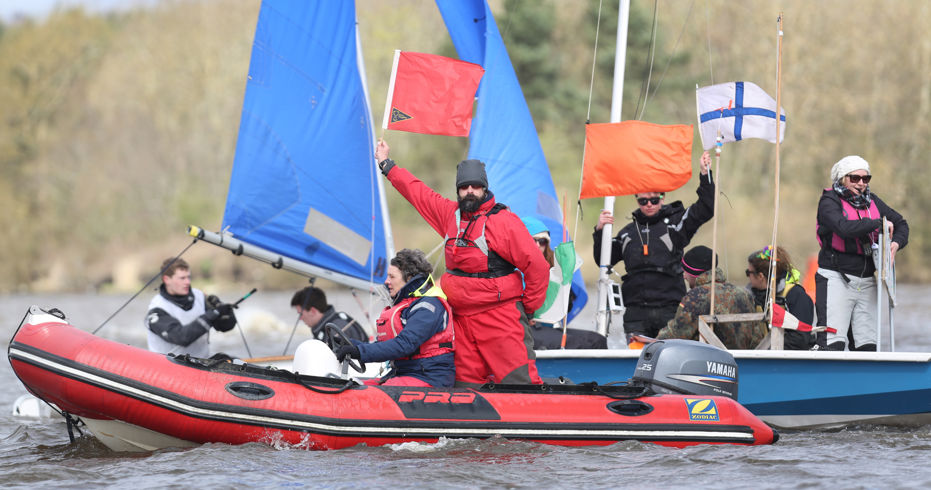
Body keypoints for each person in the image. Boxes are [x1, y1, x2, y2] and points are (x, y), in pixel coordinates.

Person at [375, 139, 550, 386]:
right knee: (466, 386)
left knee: (519, 383)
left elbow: (538, 267)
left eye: (475, 186)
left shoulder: (504, 222)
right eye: (464, 186)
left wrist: (528, 308)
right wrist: (387, 165)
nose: (470, 191)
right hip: (461, 320)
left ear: (484, 188)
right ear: (457, 190)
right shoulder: (449, 215)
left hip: (500, 317)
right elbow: (418, 193)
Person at [593, 151, 715, 343]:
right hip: (636, 314)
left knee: (669, 360)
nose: (649, 205)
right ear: (637, 200)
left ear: (663, 198)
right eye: (643, 201)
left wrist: (704, 174)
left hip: (670, 311)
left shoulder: (676, 225)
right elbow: (602, 259)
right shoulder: (627, 233)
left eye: (654, 200)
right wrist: (600, 231)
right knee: (639, 363)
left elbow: (706, 208)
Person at [815, 155, 908, 351]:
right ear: (842, 178)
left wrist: (896, 243)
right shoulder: (829, 201)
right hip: (836, 278)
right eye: (854, 178)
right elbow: (844, 228)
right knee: (833, 343)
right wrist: (878, 223)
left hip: (867, 281)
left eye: (865, 179)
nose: (861, 183)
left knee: (867, 346)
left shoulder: (872, 201)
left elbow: (901, 224)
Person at [334, 249, 455, 387]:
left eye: (392, 277)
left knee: (369, 394)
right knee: (355, 387)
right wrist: (353, 345)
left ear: (409, 278)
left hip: (429, 377)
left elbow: (404, 345)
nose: (386, 282)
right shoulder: (408, 305)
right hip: (404, 373)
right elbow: (388, 345)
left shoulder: (429, 306)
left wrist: (360, 352)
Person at [655, 246, 767, 349]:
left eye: (686, 271)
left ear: (694, 273)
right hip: (743, 364)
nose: (683, 276)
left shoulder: (695, 297)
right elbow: (756, 338)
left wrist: (650, 342)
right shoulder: (744, 294)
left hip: (710, 365)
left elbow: (675, 334)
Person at [521, 216, 606, 350]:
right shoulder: (514, 269)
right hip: (523, 330)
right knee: (576, 344)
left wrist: (566, 291)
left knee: (597, 340)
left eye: (542, 241)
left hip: (547, 327)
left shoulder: (554, 268)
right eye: (533, 240)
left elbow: (565, 309)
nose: (537, 245)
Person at [144, 257, 237, 357]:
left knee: (225, 357)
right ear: (166, 279)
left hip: (201, 364)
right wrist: (214, 314)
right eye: (182, 278)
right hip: (168, 366)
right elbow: (182, 337)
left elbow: (225, 327)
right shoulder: (157, 308)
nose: (187, 282)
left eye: (189, 277)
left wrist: (226, 312)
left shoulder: (200, 296)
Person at [746, 246, 815, 350]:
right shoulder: (750, 296)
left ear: (760, 276)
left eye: (748, 273)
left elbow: (800, 338)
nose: (748, 277)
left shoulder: (796, 296)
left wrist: (768, 349)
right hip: (763, 356)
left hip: (793, 358)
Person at [290, 286, 368, 344]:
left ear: (312, 311)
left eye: (301, 314)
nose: (300, 319)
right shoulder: (327, 326)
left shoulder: (336, 328)